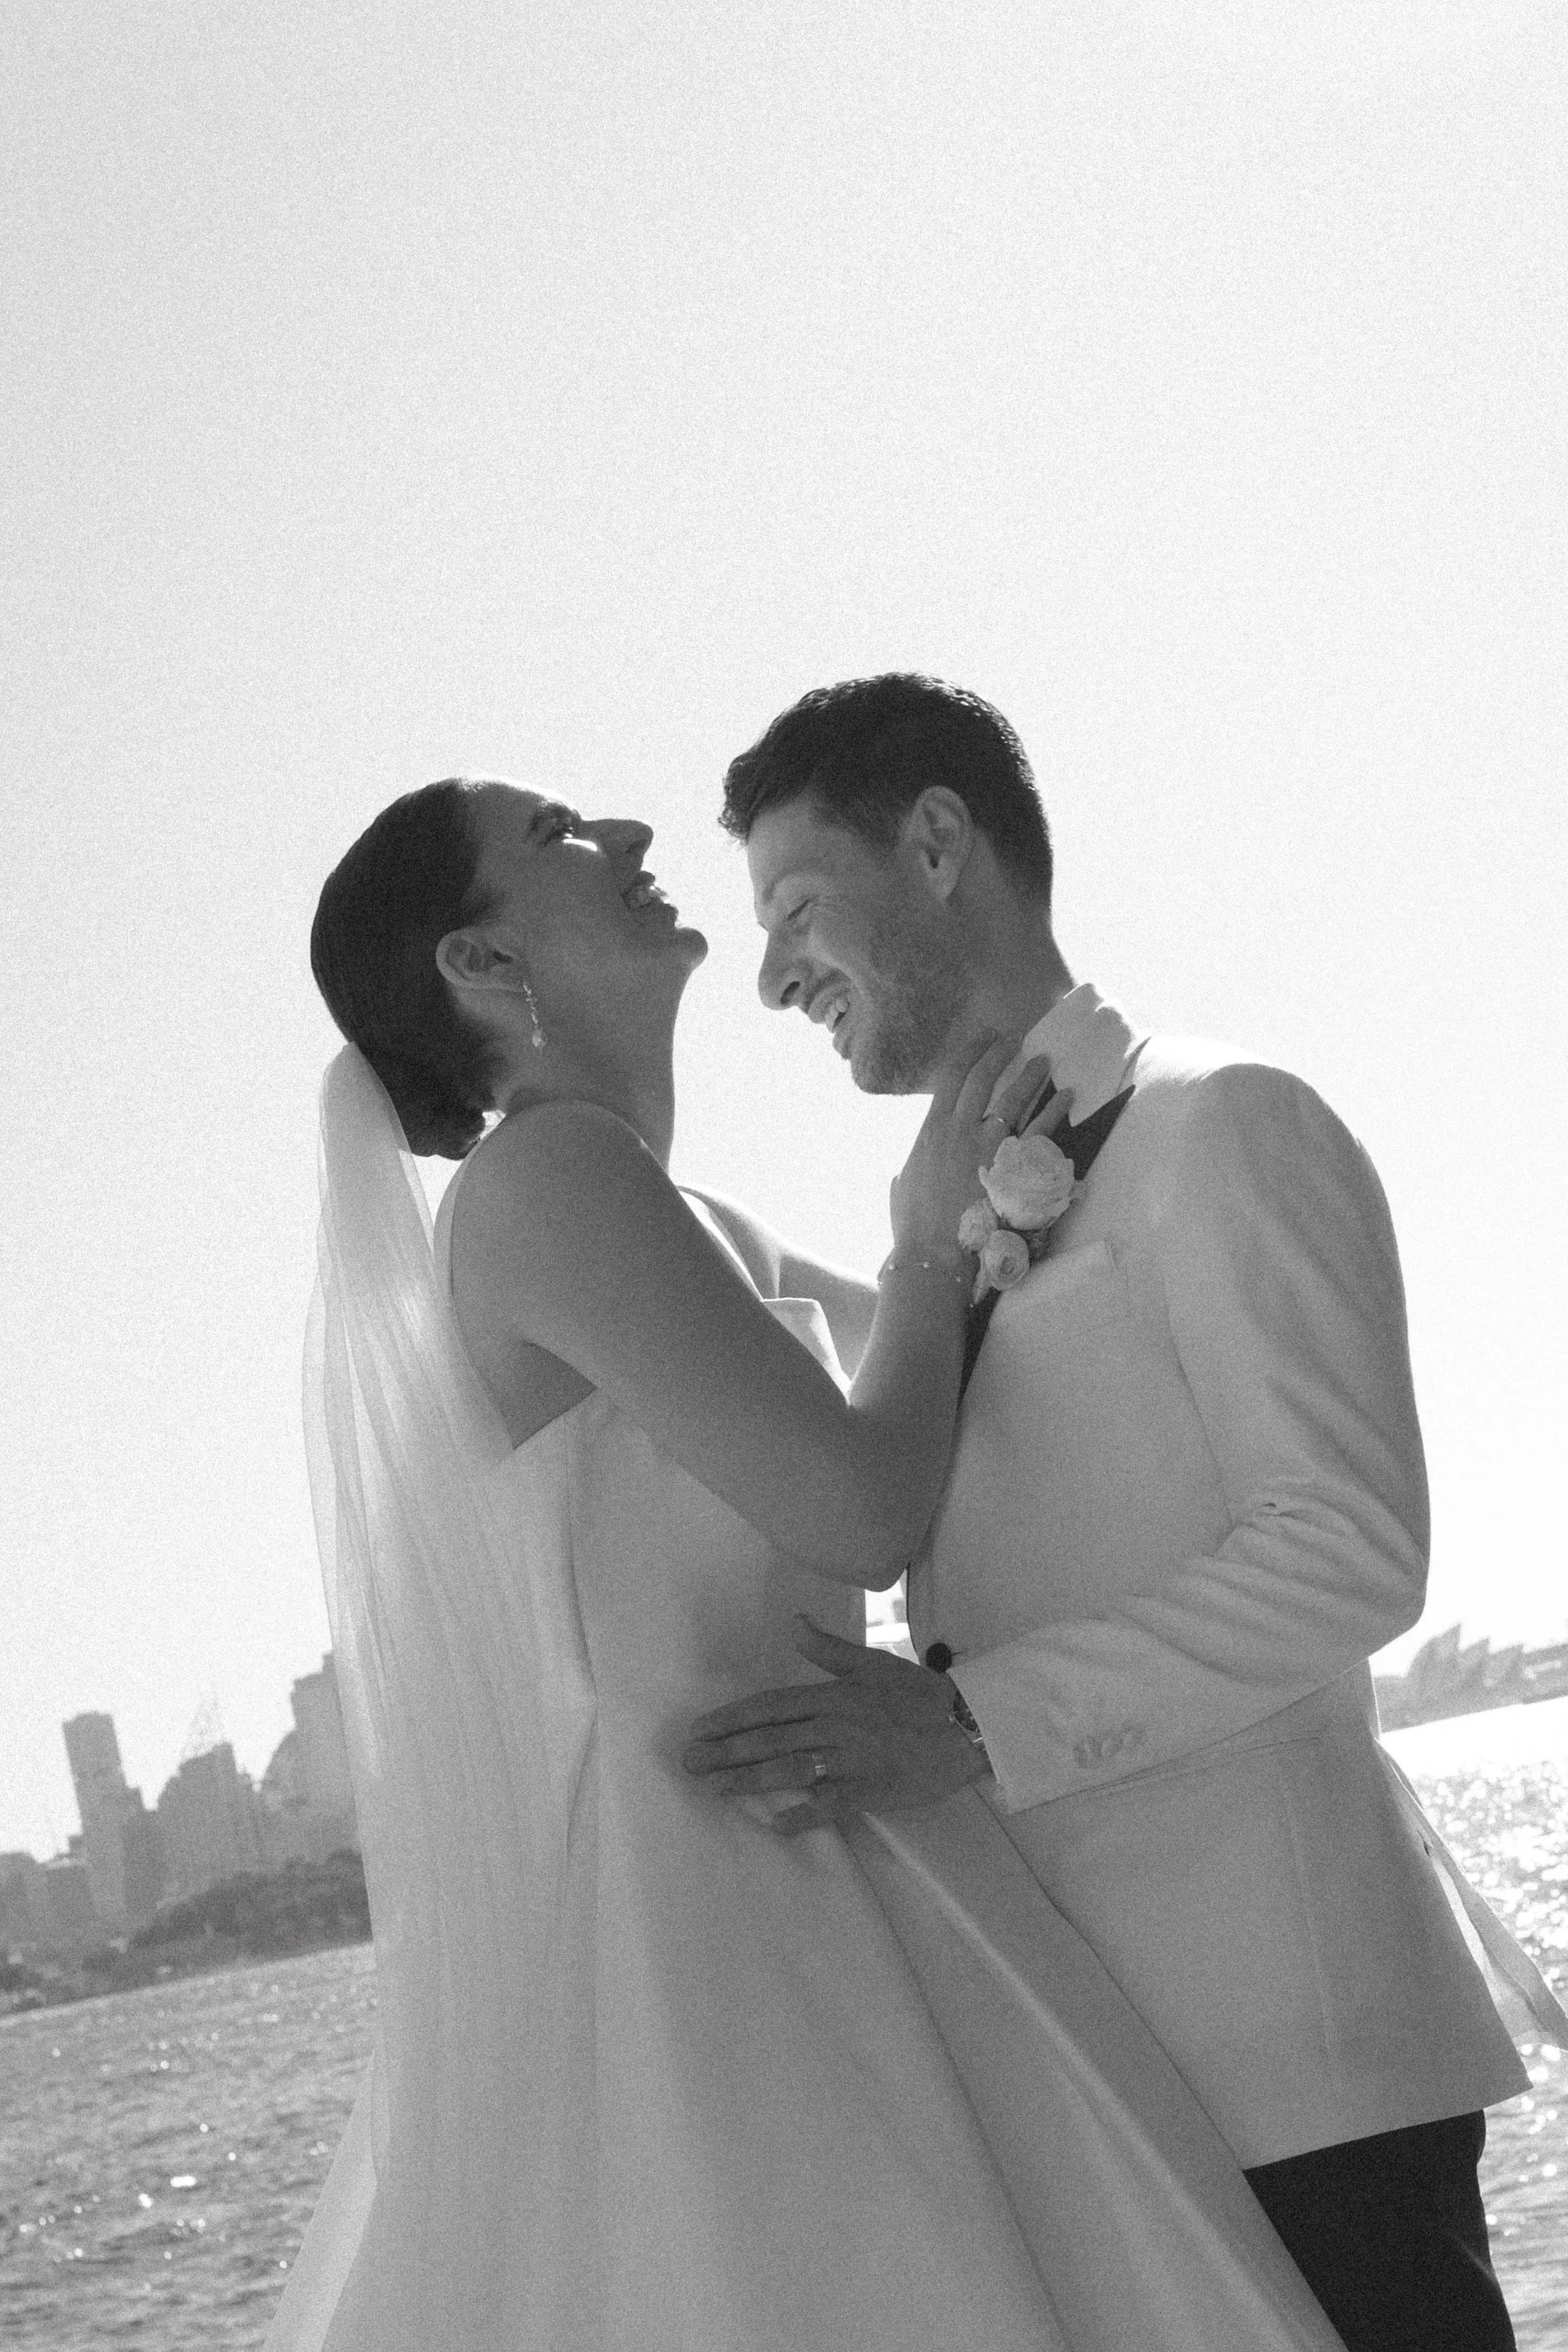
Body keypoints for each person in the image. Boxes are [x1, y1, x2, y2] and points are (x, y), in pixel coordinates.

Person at [269, 773, 1350, 2352]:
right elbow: (858, 1504)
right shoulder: (547, 1181)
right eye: (558, 835)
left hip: (816, 1827)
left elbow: (973, 1362)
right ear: (483, 963)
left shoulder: (677, 1207)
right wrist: (923, 1240)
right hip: (719, 1894)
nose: (631, 838)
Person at [687, 672, 1568, 2352]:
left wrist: (969, 1725)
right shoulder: (933, 1230)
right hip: (1093, 2083)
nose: (774, 975)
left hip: (1303, 2071)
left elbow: (1349, 1550)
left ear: (936, 843)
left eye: (796, 908)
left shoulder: (1224, 1123)